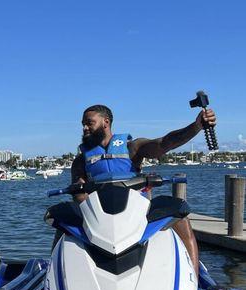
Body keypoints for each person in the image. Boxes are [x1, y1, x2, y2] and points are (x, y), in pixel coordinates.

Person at [71, 104, 217, 274]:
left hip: (137, 212)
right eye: (83, 124)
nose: (84, 128)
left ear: (106, 122)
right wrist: (88, 208)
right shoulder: (81, 160)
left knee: (181, 219)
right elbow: (78, 192)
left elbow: (165, 143)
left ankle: (193, 277)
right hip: (99, 215)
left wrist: (196, 126)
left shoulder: (132, 147)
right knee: (63, 225)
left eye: (89, 123)